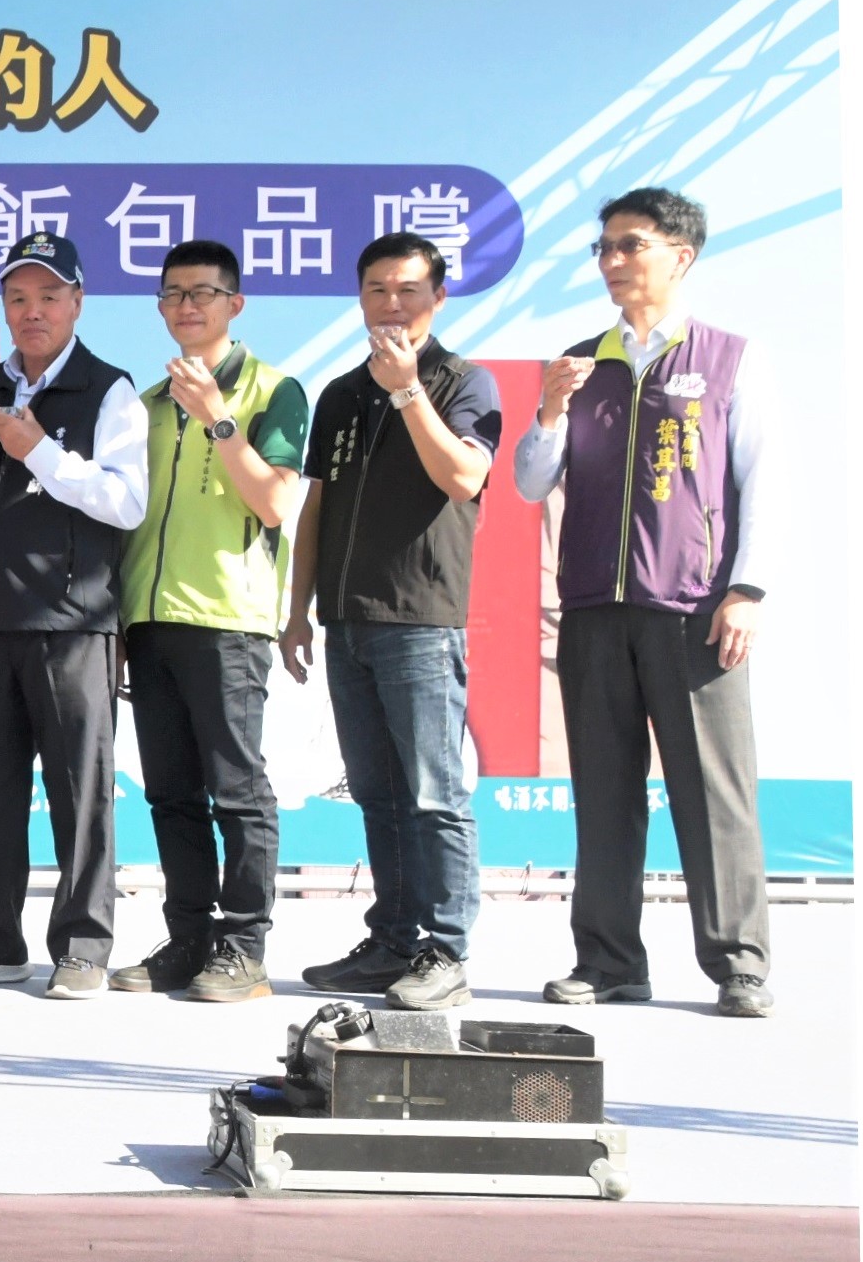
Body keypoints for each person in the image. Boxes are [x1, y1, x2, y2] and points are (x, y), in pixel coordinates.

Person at [515, 187, 773, 1018]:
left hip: (694, 609)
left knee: (714, 793)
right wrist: (550, 410)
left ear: (680, 255)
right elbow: (530, 481)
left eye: (631, 245)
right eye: (604, 248)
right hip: (594, 605)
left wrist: (746, 588)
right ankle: (609, 961)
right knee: (604, 793)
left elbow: (762, 482)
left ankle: (738, 963)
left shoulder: (729, 358)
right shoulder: (579, 362)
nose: (613, 261)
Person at [283, 232, 503, 1012]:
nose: (391, 303)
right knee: (376, 793)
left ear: (437, 296)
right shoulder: (341, 392)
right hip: (346, 620)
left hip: (420, 619)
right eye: (376, 289)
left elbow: (465, 475)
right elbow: (316, 505)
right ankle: (394, 940)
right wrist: (298, 608)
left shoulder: (463, 380)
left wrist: (409, 391)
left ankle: (446, 949)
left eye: (408, 289)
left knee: (434, 794)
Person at [0, 231, 146, 1001]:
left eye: (49, 296)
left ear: (77, 303)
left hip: (72, 621)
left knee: (80, 794)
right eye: (18, 298)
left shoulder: (108, 389)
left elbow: (127, 501)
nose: (33, 311)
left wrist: (39, 451)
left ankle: (83, 946)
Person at [110, 241, 309, 1004]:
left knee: (237, 789)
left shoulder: (275, 390)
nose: (186, 306)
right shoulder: (148, 404)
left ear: (236, 303)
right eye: (172, 294)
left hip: (228, 618)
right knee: (170, 792)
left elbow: (276, 503)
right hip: (149, 617)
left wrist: (220, 418)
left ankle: (244, 946)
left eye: (202, 292)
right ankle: (189, 937)